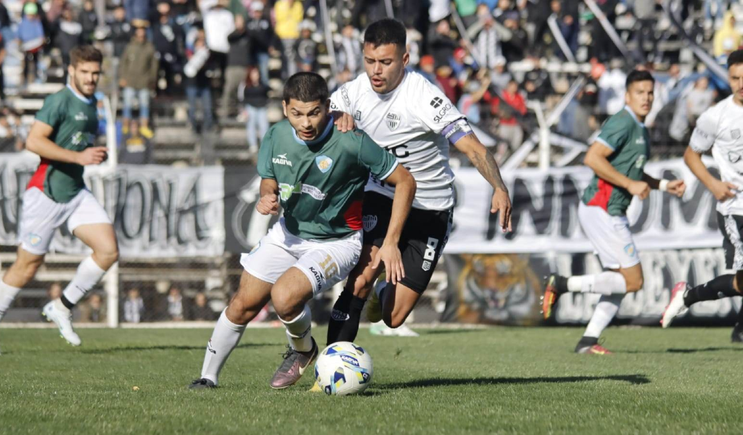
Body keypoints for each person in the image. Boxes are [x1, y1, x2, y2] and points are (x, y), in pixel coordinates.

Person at [188, 72, 416, 390]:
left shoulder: (351, 140)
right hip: (288, 234)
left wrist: (391, 241)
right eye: (297, 113)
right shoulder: (275, 136)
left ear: (327, 106)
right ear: (284, 108)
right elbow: (269, 177)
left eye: (314, 113)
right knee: (242, 304)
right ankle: (208, 378)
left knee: (284, 298)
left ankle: (302, 350)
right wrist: (267, 195)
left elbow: (405, 181)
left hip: (337, 242)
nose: (306, 123)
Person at [324, 18, 511, 364]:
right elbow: (318, 114)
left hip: (431, 208)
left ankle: (383, 293)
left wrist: (498, 187)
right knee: (361, 277)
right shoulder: (352, 92)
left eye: (385, 62)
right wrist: (335, 116)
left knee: (394, 317)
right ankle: (330, 364)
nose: (376, 70)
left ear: (405, 59)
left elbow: (472, 147)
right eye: (370, 61)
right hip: (383, 195)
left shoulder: (424, 97)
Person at [0, 46, 119, 356]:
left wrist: (86, 156)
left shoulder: (92, 102)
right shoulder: (59, 101)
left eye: (95, 73)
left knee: (108, 250)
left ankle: (62, 306)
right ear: (71, 70)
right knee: (27, 266)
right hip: (47, 192)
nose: (91, 78)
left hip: (75, 191)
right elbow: (34, 141)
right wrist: (78, 157)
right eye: (85, 72)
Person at [541, 70, 686, 355]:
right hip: (602, 208)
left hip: (608, 209)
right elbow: (592, 157)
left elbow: (633, 171)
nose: (646, 98)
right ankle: (562, 283)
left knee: (620, 282)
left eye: (650, 92)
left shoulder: (640, 128)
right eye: (640, 92)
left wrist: (663, 185)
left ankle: (587, 341)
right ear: (627, 96)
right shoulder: (623, 122)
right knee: (634, 280)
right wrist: (630, 185)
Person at [663, 50, 743, 341]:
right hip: (736, 208)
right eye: (735, 78)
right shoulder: (715, 117)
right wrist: (713, 184)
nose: (741, 84)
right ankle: (689, 297)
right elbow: (691, 155)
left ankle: (694, 300)